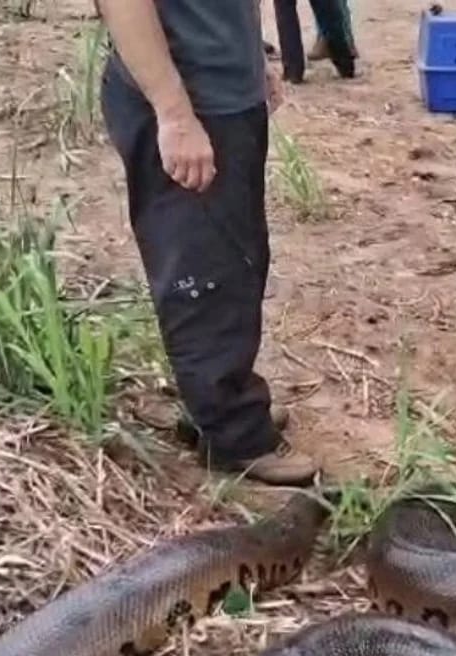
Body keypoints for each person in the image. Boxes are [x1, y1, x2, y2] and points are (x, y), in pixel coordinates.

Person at [96, 0, 320, 487]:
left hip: (225, 94)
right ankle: (232, 435)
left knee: (236, 265)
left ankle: (218, 402)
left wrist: (254, 59)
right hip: (188, 106)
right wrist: (174, 114)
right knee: (203, 274)